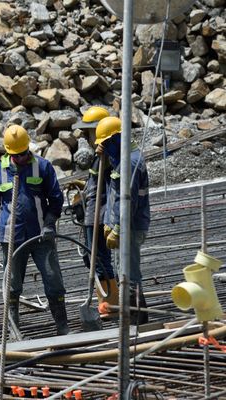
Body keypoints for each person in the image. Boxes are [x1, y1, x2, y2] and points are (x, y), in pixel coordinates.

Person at [0, 125, 69, 336]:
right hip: (11, 237)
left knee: (53, 278)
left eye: (24, 153)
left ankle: (62, 325)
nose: (21, 158)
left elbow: (56, 199)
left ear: (29, 148)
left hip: (41, 236)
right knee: (12, 284)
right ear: (9, 152)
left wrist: (49, 223)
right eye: (16, 155)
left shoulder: (43, 167)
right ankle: (13, 329)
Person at [95, 116, 151, 324]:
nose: (106, 147)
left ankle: (137, 321)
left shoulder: (131, 162)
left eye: (107, 143)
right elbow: (115, 193)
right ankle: (136, 318)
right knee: (124, 273)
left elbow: (129, 199)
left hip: (131, 226)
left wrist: (117, 227)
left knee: (130, 275)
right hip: (126, 225)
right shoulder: (123, 156)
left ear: (117, 138)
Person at [69, 106, 118, 319]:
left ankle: (110, 303)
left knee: (99, 259)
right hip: (91, 212)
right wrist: (85, 186)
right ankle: (104, 300)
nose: (86, 137)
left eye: (89, 132)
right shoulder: (99, 157)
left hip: (99, 214)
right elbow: (96, 182)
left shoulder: (107, 156)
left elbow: (110, 187)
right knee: (91, 258)